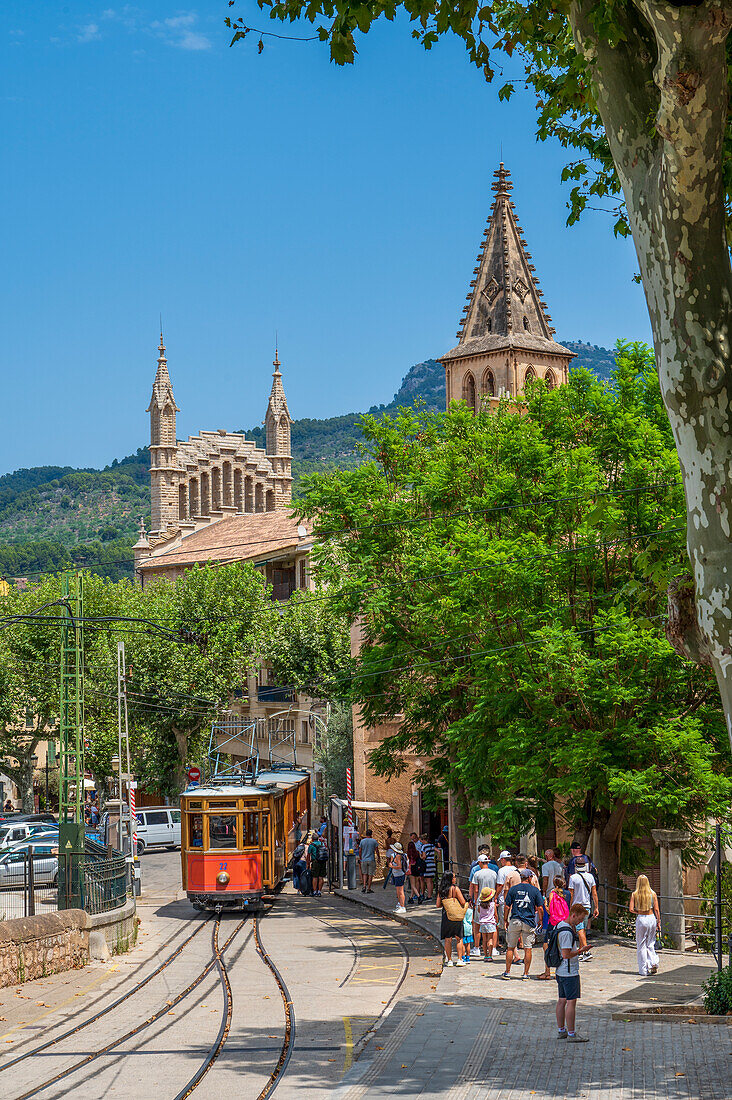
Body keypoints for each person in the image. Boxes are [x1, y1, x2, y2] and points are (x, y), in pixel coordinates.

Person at [555, 903, 590, 1042]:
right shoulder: (566, 932)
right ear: (573, 915)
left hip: (561, 971)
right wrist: (581, 950)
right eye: (580, 919)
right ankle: (571, 1033)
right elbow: (566, 954)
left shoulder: (561, 926)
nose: (580, 922)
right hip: (569, 972)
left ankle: (561, 1030)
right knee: (571, 1002)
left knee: (562, 1001)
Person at [502, 867, 545, 979]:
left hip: (515, 919)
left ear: (521, 878)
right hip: (529, 921)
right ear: (530, 877)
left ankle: (507, 972)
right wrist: (540, 920)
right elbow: (540, 907)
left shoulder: (513, 889)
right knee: (528, 948)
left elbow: (507, 906)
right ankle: (525, 974)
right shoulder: (534, 890)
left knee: (510, 947)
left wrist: (505, 919)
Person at [539, 875, 571, 979]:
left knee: (546, 945)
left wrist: (545, 904)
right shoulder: (568, 894)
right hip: (564, 922)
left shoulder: (552, 894)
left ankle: (547, 972)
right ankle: (562, 971)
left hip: (553, 924)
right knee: (562, 946)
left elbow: (550, 912)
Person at [568, 856, 599, 961]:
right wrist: (596, 907)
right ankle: (581, 951)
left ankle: (586, 952)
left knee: (579, 930)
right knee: (583, 930)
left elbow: (571, 894)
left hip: (577, 907)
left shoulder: (573, 878)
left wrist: (569, 906)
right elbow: (594, 893)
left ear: (576, 866)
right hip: (587, 905)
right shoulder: (590, 877)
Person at [629, 874, 661, 976]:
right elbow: (656, 909)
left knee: (641, 944)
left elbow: (631, 909)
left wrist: (638, 911)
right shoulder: (653, 894)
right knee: (650, 942)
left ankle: (643, 970)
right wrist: (658, 921)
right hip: (651, 917)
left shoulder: (635, 894)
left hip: (642, 918)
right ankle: (653, 961)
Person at [436, 871, 467, 966]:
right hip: (456, 915)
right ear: (450, 879)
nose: (455, 879)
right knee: (459, 938)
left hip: (446, 915)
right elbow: (462, 902)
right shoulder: (455, 889)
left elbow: (438, 905)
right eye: (453, 877)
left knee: (447, 939)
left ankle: (449, 960)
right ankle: (459, 959)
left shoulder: (441, 890)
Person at [470, 854, 498, 957]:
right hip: (492, 901)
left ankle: (477, 948)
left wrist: (475, 900)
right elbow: (496, 885)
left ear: (480, 863)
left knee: (477, 925)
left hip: (481, 902)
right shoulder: (494, 873)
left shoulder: (477, 873)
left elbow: (476, 889)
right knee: (493, 925)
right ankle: (493, 948)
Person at [495, 851, 519, 947]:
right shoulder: (516, 869)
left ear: (503, 860)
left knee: (506, 922)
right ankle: (518, 943)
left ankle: (509, 944)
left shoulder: (502, 871)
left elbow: (500, 885)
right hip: (516, 899)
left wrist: (495, 896)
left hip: (504, 899)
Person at [477, 886, 497, 959]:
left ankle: (485, 955)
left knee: (484, 940)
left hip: (482, 923)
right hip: (490, 923)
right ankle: (490, 955)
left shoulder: (480, 906)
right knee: (490, 939)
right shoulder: (493, 905)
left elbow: (479, 912)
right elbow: (495, 914)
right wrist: (497, 921)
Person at [388, 841, 408, 914]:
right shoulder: (401, 855)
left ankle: (402, 907)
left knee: (400, 891)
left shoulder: (398, 856)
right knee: (398, 891)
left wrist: (392, 866)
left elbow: (399, 866)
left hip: (399, 875)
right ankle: (400, 905)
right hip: (398, 875)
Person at [307, 829, 328, 896]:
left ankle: (314, 891)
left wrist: (308, 864)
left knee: (315, 877)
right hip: (323, 861)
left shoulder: (311, 845)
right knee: (321, 877)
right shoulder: (322, 844)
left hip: (315, 862)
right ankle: (319, 891)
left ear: (312, 839)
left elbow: (308, 855)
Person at [358, 830, 379, 894]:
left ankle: (364, 886)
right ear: (371, 834)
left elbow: (360, 851)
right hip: (371, 859)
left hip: (364, 859)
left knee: (364, 874)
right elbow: (377, 850)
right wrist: (379, 857)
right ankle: (369, 888)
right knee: (370, 874)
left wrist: (361, 857)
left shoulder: (362, 841)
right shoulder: (374, 841)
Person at [407, 832, 425, 903]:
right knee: (417, 882)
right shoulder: (417, 852)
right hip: (417, 868)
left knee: (412, 885)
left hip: (412, 868)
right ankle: (411, 898)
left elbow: (409, 861)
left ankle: (418, 896)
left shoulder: (409, 853)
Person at [419, 833, 436, 899]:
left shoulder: (424, 846)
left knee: (428, 881)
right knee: (431, 881)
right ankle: (430, 894)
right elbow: (438, 851)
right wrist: (437, 858)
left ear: (423, 840)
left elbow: (424, 856)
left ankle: (429, 896)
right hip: (432, 864)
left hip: (427, 864)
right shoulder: (432, 845)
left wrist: (421, 857)